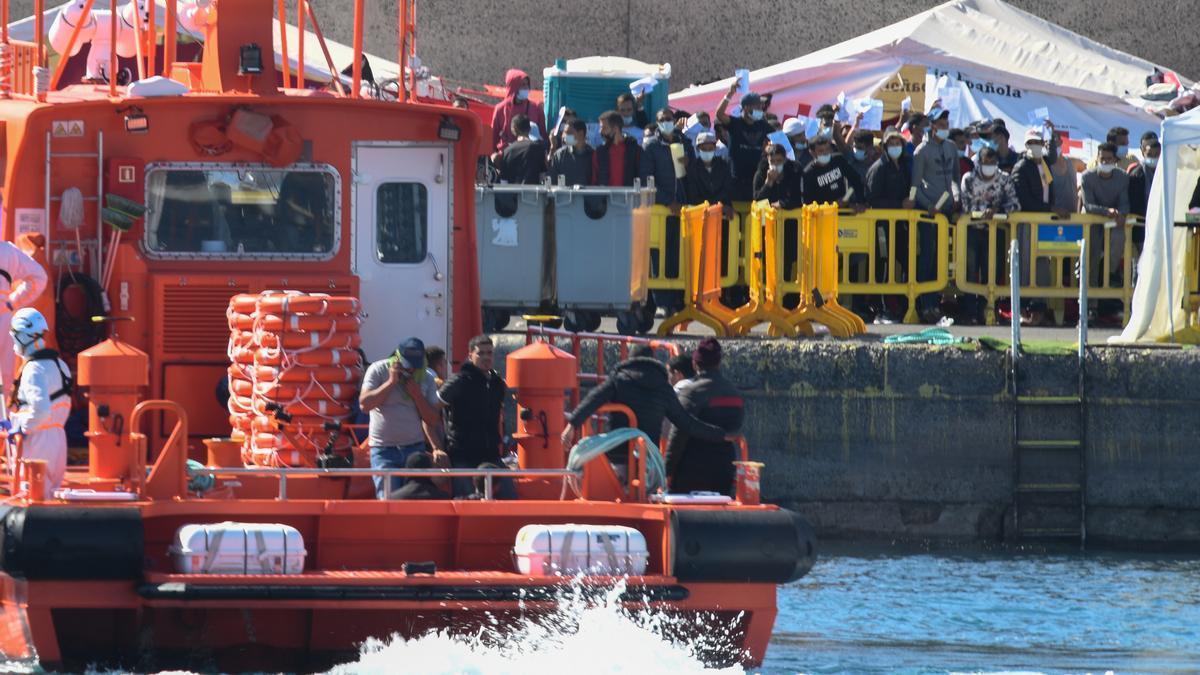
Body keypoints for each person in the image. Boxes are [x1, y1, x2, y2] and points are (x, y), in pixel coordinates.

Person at [560, 345, 730, 463]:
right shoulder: (663, 387)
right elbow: (686, 422)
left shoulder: (619, 380)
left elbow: (593, 399)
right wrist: (720, 434)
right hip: (648, 459)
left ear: (631, 359)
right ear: (653, 360)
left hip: (618, 455)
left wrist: (572, 424)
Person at [359, 337, 444, 499]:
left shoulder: (426, 377)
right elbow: (364, 405)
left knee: (416, 499)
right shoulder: (378, 369)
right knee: (387, 501)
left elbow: (433, 419)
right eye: (407, 365)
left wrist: (417, 395)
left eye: (415, 366)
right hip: (383, 449)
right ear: (397, 359)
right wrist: (391, 383)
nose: (411, 370)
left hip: (413, 449)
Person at [1, 309, 71, 496]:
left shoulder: (33, 369)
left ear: (23, 336)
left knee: (32, 495)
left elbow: (41, 411)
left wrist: (19, 426)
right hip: (58, 439)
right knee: (51, 494)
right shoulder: (61, 365)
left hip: (37, 440)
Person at [665, 338, 743, 495]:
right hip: (724, 468)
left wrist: (667, 469)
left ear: (695, 364)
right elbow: (735, 428)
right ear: (718, 363)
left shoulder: (691, 392)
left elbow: (678, 434)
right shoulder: (734, 392)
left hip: (691, 468)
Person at [438, 335, 507, 496]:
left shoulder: (497, 384)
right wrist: (437, 445)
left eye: (489, 353)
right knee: (465, 500)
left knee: (508, 495)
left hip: (490, 454)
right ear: (470, 355)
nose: (486, 357)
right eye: (480, 353)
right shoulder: (459, 380)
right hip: (463, 453)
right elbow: (433, 408)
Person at [959, 147, 1021, 324]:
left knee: (992, 270)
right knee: (971, 270)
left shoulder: (1004, 179)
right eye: (986, 163)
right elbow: (965, 206)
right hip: (972, 230)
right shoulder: (969, 179)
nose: (989, 166)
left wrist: (997, 210)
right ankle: (970, 311)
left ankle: (988, 308)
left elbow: (1015, 204)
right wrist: (982, 212)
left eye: (993, 163)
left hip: (997, 231)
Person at [911, 109, 959, 320]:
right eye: (940, 124)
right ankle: (925, 304)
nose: (944, 128)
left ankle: (938, 303)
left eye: (946, 124)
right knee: (928, 257)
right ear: (932, 126)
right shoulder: (921, 151)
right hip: (929, 213)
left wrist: (957, 196)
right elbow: (914, 187)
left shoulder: (951, 147)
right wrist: (927, 205)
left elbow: (956, 177)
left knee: (943, 258)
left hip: (948, 210)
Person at [1081, 142, 1131, 325]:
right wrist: (1107, 211)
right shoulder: (1087, 177)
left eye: (1109, 159)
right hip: (1092, 222)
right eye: (1102, 159)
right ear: (1097, 158)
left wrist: (1122, 214)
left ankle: (1109, 280)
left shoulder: (1122, 178)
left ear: (1115, 160)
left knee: (1118, 240)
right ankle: (1091, 307)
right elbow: (1088, 205)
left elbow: (1125, 202)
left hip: (1113, 222)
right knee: (1091, 261)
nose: (1105, 162)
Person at [0, 241, 48, 387]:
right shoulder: (7, 251)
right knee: (4, 377)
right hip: (3, 317)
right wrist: (11, 303)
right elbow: (39, 277)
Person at [715, 83, 773, 202]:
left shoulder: (763, 126)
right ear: (746, 107)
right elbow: (719, 114)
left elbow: (779, 139)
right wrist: (730, 93)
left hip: (755, 180)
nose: (760, 108)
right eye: (757, 106)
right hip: (736, 181)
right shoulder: (735, 124)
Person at [641, 107, 693, 207]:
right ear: (657, 123)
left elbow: (695, 172)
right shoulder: (650, 147)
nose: (665, 122)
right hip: (661, 207)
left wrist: (688, 164)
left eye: (668, 119)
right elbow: (646, 180)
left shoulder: (684, 142)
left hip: (684, 203)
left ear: (674, 120)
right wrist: (668, 202)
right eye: (661, 120)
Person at [490, 69, 545, 155]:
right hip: (506, 155)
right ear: (513, 86)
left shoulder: (536, 108)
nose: (526, 88)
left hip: (530, 155)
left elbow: (543, 135)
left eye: (527, 84)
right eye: (522, 85)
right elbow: (493, 137)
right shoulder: (500, 109)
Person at [802, 136, 866, 207]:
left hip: (844, 210)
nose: (825, 153)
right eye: (821, 151)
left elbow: (856, 180)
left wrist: (860, 202)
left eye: (827, 149)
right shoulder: (808, 173)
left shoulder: (838, 160)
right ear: (812, 152)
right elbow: (808, 201)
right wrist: (831, 204)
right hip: (823, 215)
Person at [684, 132, 734, 210]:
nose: (707, 152)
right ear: (697, 149)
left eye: (710, 149)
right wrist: (712, 206)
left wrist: (720, 206)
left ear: (715, 148)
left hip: (722, 212)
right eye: (703, 149)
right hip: (700, 212)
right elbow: (693, 195)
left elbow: (726, 190)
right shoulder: (692, 169)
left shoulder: (723, 165)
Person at [593, 110, 641, 187]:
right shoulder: (600, 152)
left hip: (630, 197)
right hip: (605, 197)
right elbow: (594, 179)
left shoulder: (634, 149)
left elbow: (641, 176)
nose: (600, 132)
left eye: (604, 128)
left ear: (615, 128)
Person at [496, 114, 547, 185]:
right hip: (534, 194)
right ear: (529, 129)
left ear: (513, 129)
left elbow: (504, 181)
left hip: (513, 194)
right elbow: (543, 176)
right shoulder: (539, 148)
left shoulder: (507, 151)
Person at [752, 144, 802, 208]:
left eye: (779, 161)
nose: (775, 164)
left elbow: (799, 198)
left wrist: (782, 204)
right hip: (768, 215)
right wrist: (768, 184)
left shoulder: (794, 172)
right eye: (772, 161)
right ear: (768, 159)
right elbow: (757, 200)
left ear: (785, 159)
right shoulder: (761, 173)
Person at [547, 119, 594, 186]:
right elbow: (551, 180)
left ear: (581, 133)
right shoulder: (559, 155)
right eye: (564, 133)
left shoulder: (593, 155)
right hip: (564, 196)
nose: (564, 136)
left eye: (568, 133)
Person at [1129, 132, 1160, 218]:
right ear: (1143, 153)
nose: (1153, 158)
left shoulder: (1168, 173)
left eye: (1156, 154)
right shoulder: (1136, 175)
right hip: (1142, 221)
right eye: (1149, 155)